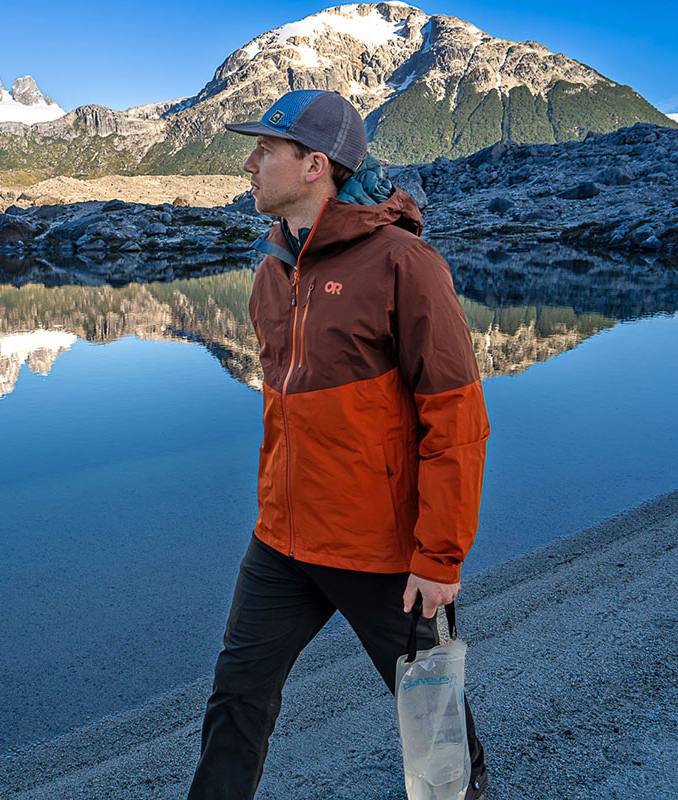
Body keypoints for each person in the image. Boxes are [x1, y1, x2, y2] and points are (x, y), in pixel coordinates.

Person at [188, 90, 491, 799]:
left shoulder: (403, 264)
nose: (248, 164)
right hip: (282, 541)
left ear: (314, 165)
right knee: (236, 698)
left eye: (266, 150)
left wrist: (439, 556)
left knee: (430, 706)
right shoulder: (273, 268)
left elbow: (456, 419)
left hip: (379, 548)